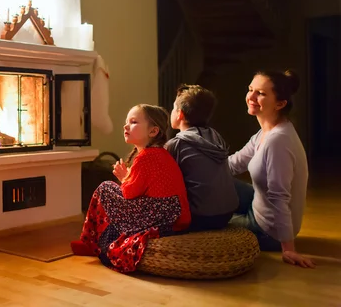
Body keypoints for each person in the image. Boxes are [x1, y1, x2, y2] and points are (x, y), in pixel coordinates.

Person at [71, 104, 190, 273]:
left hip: (160, 214)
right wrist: (128, 178)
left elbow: (128, 194)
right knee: (111, 192)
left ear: (153, 131)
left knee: (105, 188)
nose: (126, 126)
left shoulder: (146, 157)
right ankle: (93, 241)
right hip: (172, 213)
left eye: (133, 122)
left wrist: (124, 178)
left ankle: (89, 241)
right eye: (127, 122)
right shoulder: (159, 153)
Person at [228, 69, 315, 268]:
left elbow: (279, 196)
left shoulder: (278, 141)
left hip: (268, 229)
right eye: (251, 89)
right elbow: (234, 164)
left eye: (261, 93)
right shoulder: (265, 131)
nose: (251, 97)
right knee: (214, 181)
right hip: (257, 201)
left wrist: (288, 248)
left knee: (211, 220)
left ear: (280, 104)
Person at [166, 84, 238, 231]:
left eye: (173, 108)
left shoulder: (177, 144)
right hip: (227, 213)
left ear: (179, 114)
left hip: (199, 217)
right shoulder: (216, 136)